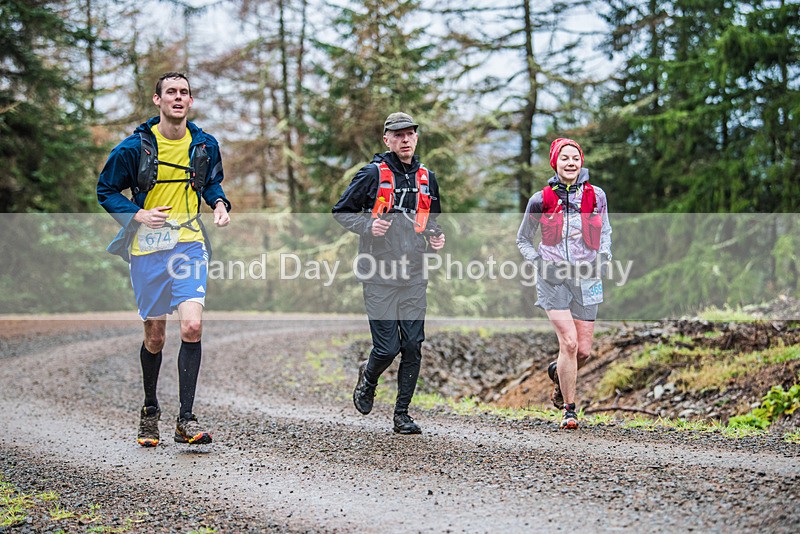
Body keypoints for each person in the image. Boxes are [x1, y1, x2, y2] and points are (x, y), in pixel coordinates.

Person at [97, 72, 231, 447]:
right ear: (157, 100)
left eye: (184, 92)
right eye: (171, 92)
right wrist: (137, 214)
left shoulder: (204, 145)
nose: (178, 97)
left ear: (191, 101)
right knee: (155, 336)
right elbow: (105, 190)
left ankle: (185, 419)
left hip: (188, 243)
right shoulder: (133, 147)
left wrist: (219, 203)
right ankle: (150, 410)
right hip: (147, 249)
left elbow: (211, 182)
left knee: (191, 328)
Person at [332, 112, 445, 434]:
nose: (405, 139)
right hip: (378, 273)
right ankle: (368, 376)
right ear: (387, 140)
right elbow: (341, 212)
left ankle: (402, 415)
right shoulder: (371, 174)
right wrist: (368, 225)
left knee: (412, 344)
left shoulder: (427, 177)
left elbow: (429, 220)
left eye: (410, 134)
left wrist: (435, 236)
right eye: (398, 135)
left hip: (414, 274)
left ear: (416, 137)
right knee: (387, 348)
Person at [516, 138, 612, 429]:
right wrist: (539, 263)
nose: (570, 163)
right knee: (568, 343)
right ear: (554, 163)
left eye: (575, 158)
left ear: (581, 162)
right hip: (552, 277)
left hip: (587, 275)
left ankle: (558, 376)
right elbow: (523, 240)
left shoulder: (596, 196)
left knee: (583, 351)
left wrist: (605, 255)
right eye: (564, 158)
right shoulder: (540, 199)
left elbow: (605, 231)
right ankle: (569, 410)